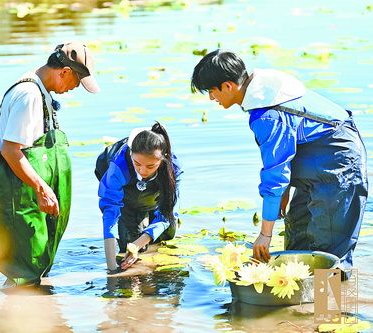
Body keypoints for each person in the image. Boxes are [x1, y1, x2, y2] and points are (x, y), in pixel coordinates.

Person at [191, 49, 368, 275]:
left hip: (338, 164)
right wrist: (283, 195)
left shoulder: (268, 114)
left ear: (228, 86)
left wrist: (265, 234)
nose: (211, 98)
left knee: (329, 251)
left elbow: (274, 174)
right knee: (299, 235)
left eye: (211, 91)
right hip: (313, 164)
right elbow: (284, 155)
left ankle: (329, 309)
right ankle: (298, 308)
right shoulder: (262, 90)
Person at [0, 42, 100, 287]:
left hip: (31, 198)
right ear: (65, 72)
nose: (74, 88)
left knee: (33, 269)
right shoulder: (29, 96)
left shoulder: (40, 91)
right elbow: (10, 150)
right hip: (20, 198)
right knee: (22, 273)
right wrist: (42, 188)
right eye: (77, 82)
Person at [97, 122, 183, 273]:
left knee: (167, 234)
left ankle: (147, 225)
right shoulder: (118, 167)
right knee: (126, 244)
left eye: (151, 166)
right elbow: (110, 211)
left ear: (162, 160)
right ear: (131, 155)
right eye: (137, 164)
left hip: (155, 191)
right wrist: (111, 267)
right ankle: (138, 218)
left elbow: (168, 211)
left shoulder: (173, 168)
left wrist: (140, 243)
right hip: (125, 193)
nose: (143, 170)